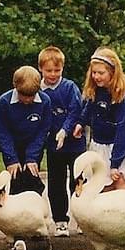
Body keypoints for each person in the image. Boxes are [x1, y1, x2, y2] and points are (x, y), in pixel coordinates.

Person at [77, 47, 125, 191]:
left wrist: (115, 163)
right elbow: (88, 108)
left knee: (121, 185)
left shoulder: (122, 96)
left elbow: (124, 129)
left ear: (113, 72)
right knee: (101, 188)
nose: (96, 77)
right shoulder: (95, 90)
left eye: (101, 73)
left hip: (119, 147)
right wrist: (81, 123)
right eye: (94, 73)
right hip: (100, 146)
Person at [38, 46, 85, 237]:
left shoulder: (69, 87)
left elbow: (75, 110)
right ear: (41, 68)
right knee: (56, 183)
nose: (53, 74)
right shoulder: (38, 90)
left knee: (79, 182)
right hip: (53, 146)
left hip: (74, 143)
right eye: (49, 70)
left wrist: (65, 130)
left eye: (57, 70)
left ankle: (82, 219)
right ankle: (60, 221)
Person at [0, 66, 51, 196]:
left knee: (32, 179)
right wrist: (11, 159)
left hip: (34, 146)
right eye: (23, 95)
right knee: (15, 181)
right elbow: (2, 132)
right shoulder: (4, 102)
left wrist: (32, 157)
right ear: (15, 86)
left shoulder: (45, 101)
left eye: (31, 96)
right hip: (13, 146)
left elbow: (43, 131)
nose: (27, 100)